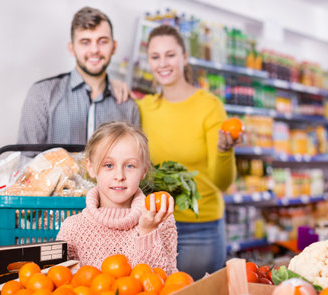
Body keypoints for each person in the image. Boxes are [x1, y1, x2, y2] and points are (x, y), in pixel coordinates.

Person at [135, 24, 241, 280]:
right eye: (155, 56)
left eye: (170, 55)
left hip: (199, 228)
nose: (163, 63)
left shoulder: (209, 106)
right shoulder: (141, 108)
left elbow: (222, 182)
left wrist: (224, 150)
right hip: (153, 224)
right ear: (148, 62)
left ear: (184, 57)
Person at [56, 121, 178, 274]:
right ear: (91, 167)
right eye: (108, 165)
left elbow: (164, 283)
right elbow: (59, 282)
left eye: (130, 166)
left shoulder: (161, 221)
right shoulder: (73, 228)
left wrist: (148, 231)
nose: (119, 176)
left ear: (144, 170)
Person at [17, 6, 139, 144]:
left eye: (102, 41)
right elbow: (27, 160)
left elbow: (132, 161)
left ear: (114, 47)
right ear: (72, 48)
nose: (94, 50)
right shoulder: (42, 95)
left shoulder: (128, 106)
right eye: (85, 42)